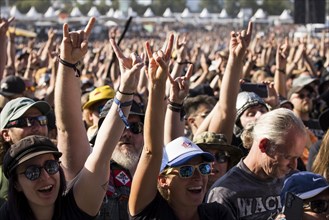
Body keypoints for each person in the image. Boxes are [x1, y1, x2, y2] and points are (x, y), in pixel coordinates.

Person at [128, 33, 233, 220]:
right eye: (186, 170)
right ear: (163, 180)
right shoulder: (149, 212)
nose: (198, 177)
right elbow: (151, 152)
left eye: (203, 169)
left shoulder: (217, 214)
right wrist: (157, 85)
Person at [54, 16, 144, 220]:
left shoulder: (158, 170)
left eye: (135, 128)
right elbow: (67, 129)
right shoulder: (87, 167)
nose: (127, 133)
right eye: (120, 127)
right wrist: (67, 63)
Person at [207, 108, 307, 220]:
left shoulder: (294, 181)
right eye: (287, 157)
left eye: (297, 157)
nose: (294, 166)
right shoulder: (225, 192)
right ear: (264, 145)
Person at [0, 97, 51, 206]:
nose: (37, 127)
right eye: (27, 121)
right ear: (6, 134)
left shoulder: (63, 162)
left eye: (42, 120)